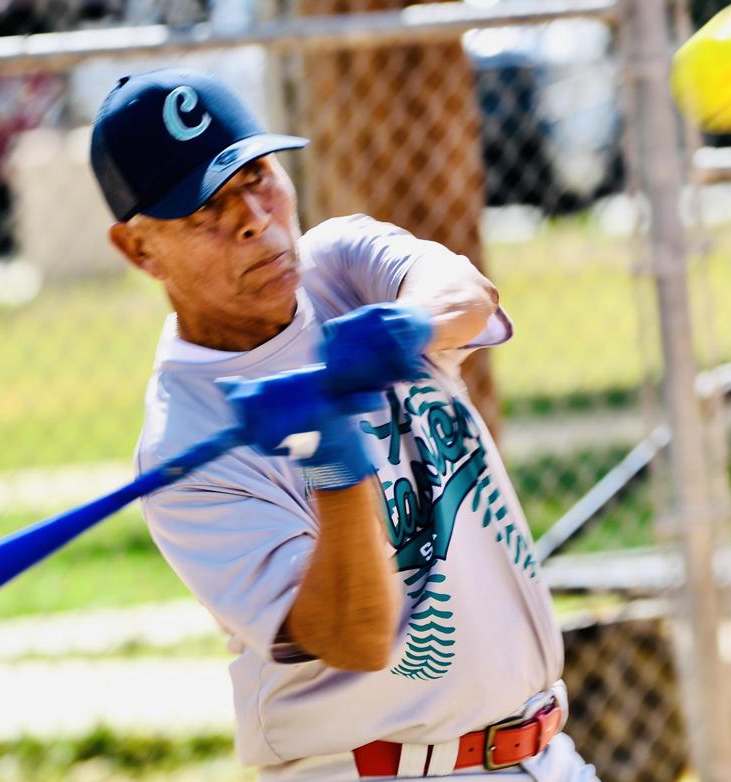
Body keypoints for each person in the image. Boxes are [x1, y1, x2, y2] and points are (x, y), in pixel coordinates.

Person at [90, 67, 597, 782]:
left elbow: (470, 294)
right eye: (204, 207)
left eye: (257, 177)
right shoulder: (185, 445)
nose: (254, 219)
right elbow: (354, 636)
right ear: (139, 249)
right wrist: (331, 457)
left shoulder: (341, 265)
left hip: (544, 753)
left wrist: (407, 326)